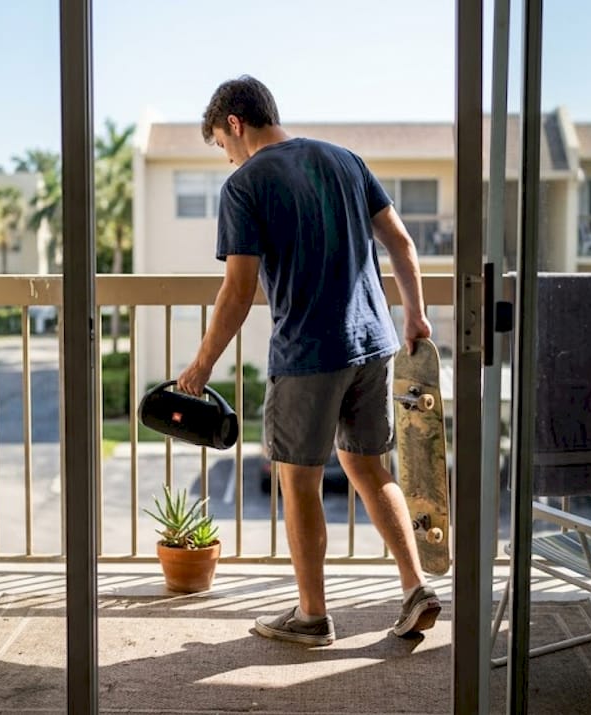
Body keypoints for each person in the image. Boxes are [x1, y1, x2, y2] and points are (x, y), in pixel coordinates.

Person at [175, 75, 440, 646]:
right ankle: (416, 587)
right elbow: (401, 242)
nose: (227, 159)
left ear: (235, 125)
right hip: (373, 343)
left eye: (222, 145)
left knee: (298, 482)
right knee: (371, 469)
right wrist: (415, 315)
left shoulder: (246, 185)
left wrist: (199, 366)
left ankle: (313, 616)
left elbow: (238, 290)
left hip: (308, 353)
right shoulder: (344, 160)